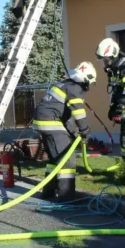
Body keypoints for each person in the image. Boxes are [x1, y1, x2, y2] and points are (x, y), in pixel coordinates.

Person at [33, 61, 97, 201]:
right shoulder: (74, 89)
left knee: (55, 159)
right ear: (85, 80)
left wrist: (73, 134)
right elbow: (79, 113)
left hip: (44, 121)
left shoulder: (65, 85)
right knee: (67, 161)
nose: (88, 87)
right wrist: (85, 132)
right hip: (51, 123)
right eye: (89, 83)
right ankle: (66, 197)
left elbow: (64, 116)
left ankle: (48, 193)